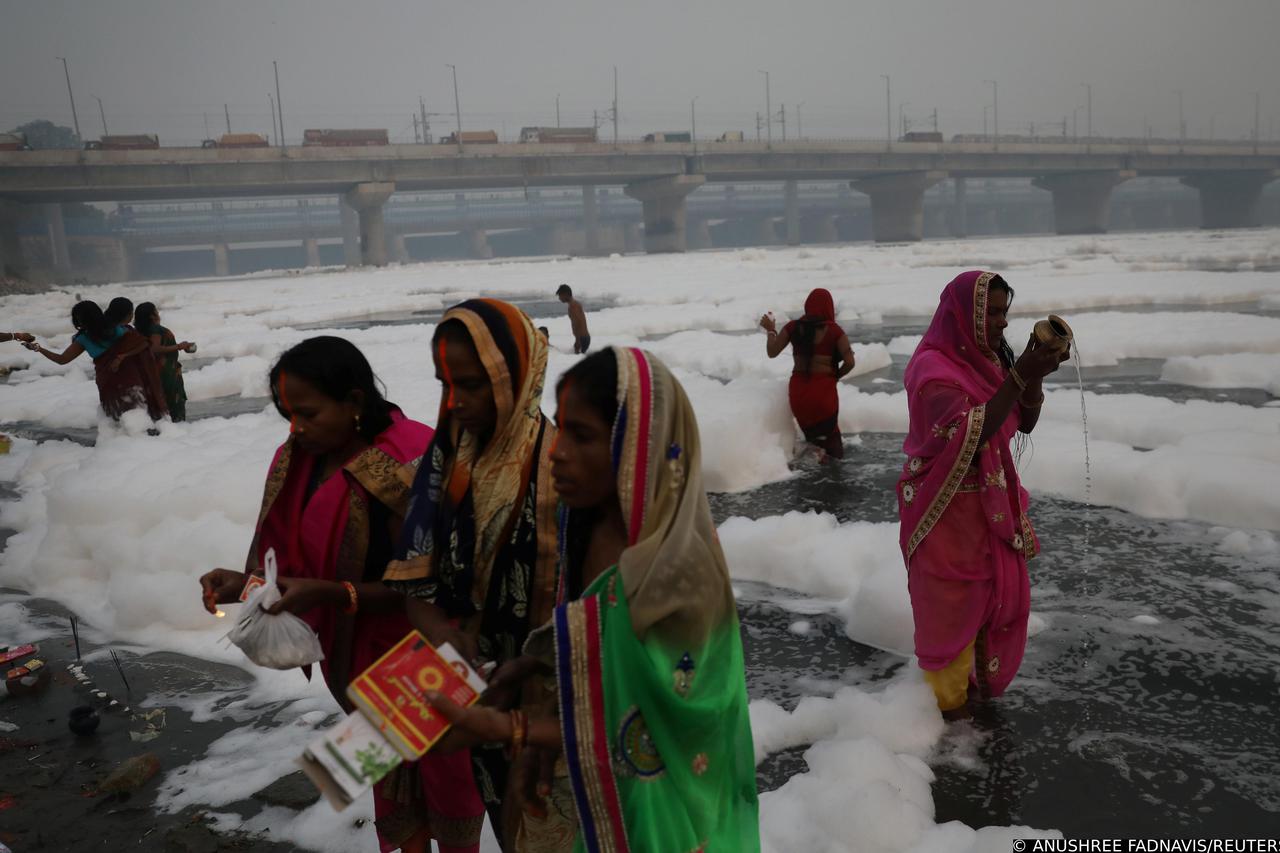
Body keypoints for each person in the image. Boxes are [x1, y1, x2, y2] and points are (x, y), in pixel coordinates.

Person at [426, 347, 761, 853]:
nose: (557, 451)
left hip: (672, 820)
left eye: (581, 435)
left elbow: (662, 731)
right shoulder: (586, 524)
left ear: (638, 447)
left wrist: (514, 731)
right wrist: (534, 669)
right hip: (607, 808)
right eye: (560, 429)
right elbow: (604, 658)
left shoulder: (678, 572)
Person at [197, 336, 484, 853]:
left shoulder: (411, 461)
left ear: (353, 402)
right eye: (287, 414)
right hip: (351, 660)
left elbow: (440, 586)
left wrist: (335, 594)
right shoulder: (301, 457)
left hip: (422, 657)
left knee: (445, 781)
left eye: (307, 413)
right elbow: (293, 559)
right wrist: (247, 585)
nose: (296, 428)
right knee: (389, 784)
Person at [385, 299, 560, 834]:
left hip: (563, 706)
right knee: (510, 825)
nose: (455, 401)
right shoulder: (446, 460)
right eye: (443, 383)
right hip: (481, 695)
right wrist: (441, 630)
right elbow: (417, 577)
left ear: (519, 376)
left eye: (472, 384)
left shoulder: (568, 463)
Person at [897, 271, 1067, 720]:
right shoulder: (932, 370)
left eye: (1004, 312)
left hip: (987, 509)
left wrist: (1033, 375)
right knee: (950, 614)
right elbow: (969, 434)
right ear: (962, 314)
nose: (1001, 323)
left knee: (990, 607)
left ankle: (970, 713)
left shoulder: (986, 362)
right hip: (943, 512)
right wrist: (1018, 375)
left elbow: (1022, 424)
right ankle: (943, 725)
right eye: (990, 312)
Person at [23, 300, 168, 421]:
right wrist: (123, 356)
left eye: (78, 319)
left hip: (112, 381)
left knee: (119, 417)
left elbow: (62, 360)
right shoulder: (117, 330)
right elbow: (143, 344)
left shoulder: (90, 337)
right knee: (138, 413)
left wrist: (39, 349)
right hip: (128, 379)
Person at [760, 287, 856, 460]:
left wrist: (771, 330)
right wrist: (835, 376)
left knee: (815, 442)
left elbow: (772, 352)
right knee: (835, 452)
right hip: (823, 395)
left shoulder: (792, 327)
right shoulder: (835, 331)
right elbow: (850, 362)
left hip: (798, 396)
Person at [134, 302, 194, 422]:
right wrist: (178, 346)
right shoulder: (156, 329)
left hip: (151, 372)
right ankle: (177, 430)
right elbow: (155, 349)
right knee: (174, 403)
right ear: (152, 315)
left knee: (159, 404)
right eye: (156, 310)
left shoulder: (139, 331)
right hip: (166, 372)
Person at [555, 285, 590, 354]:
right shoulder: (573, 304)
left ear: (566, 294)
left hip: (582, 339)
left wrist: (578, 341)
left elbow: (578, 323)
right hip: (583, 338)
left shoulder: (573, 306)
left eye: (560, 295)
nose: (559, 298)